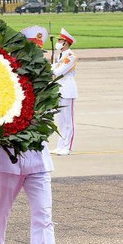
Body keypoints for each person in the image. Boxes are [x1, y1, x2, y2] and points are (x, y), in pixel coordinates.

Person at [0, 25, 70, 244]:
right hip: (7, 157)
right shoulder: (3, 80)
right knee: (0, 213)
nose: (37, 54)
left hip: (39, 158)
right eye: (32, 49)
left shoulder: (47, 82)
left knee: (44, 216)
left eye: (40, 50)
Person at [51, 28, 77, 156]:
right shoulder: (60, 55)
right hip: (59, 89)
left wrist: (50, 69)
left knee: (68, 121)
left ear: (66, 42)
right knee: (61, 121)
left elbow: (58, 71)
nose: (58, 42)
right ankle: (60, 145)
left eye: (60, 40)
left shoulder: (70, 56)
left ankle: (67, 146)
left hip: (67, 89)